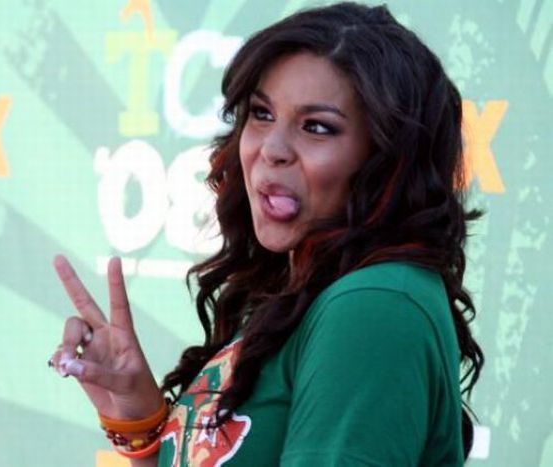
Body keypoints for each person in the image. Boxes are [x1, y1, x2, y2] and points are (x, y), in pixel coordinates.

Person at [48, 2, 484, 466]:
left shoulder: (373, 303)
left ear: (386, 157)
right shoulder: (305, 291)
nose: (272, 149)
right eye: (261, 113)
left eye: (317, 127)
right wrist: (135, 415)